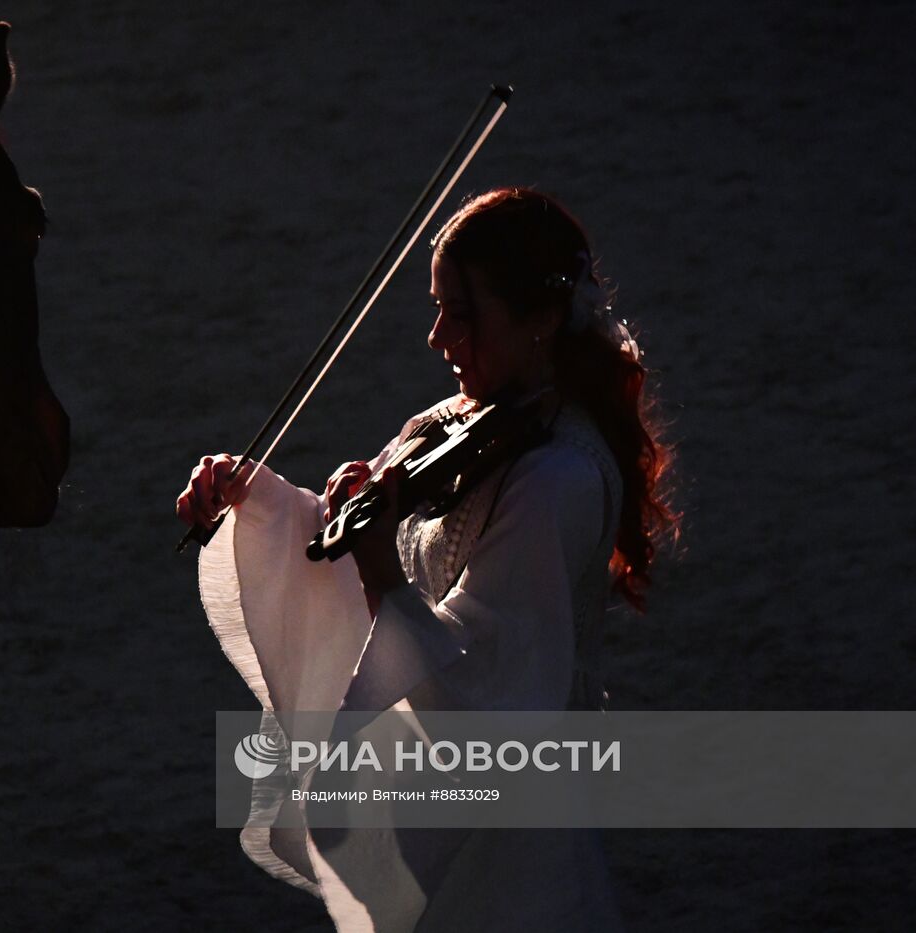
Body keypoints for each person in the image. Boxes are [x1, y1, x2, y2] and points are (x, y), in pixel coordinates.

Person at [176, 187, 676, 930]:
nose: (440, 338)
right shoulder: (456, 422)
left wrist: (380, 569)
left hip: (513, 857)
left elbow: (490, 699)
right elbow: (348, 550)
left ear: (540, 316)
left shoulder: (557, 480)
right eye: (437, 306)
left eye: (463, 313)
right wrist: (259, 502)